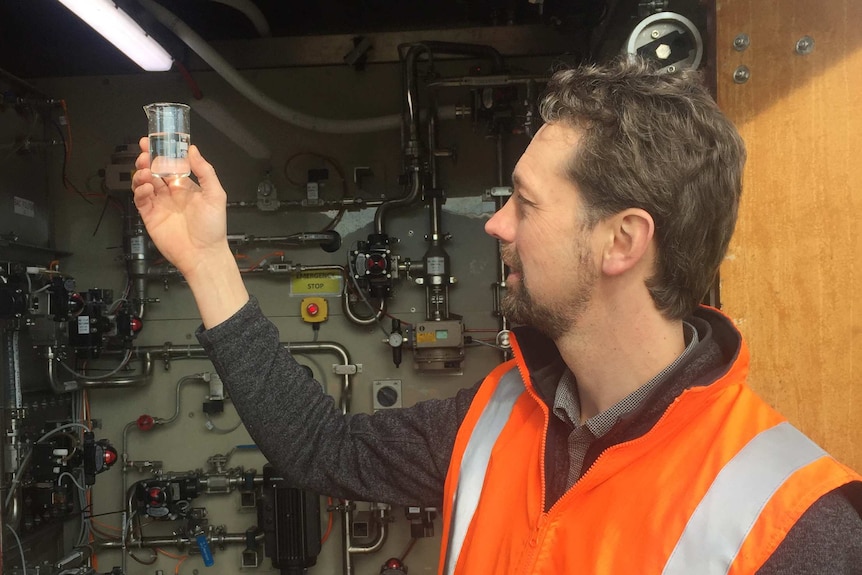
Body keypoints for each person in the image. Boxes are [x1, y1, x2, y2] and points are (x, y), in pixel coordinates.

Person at [132, 56, 862, 574]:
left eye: (527, 202)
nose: (496, 224)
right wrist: (205, 260)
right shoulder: (494, 416)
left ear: (622, 241)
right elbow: (322, 447)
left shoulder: (791, 523)